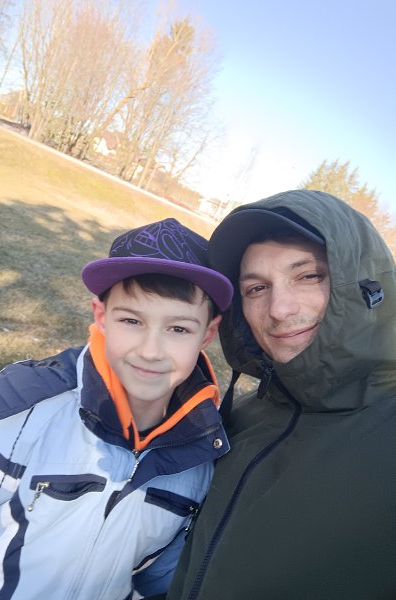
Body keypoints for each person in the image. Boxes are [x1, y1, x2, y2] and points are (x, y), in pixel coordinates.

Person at [0, 218, 234, 600]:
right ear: (101, 316)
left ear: (207, 333)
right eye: (131, 320)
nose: (151, 350)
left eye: (178, 329)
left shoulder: (201, 453)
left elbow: (158, 579)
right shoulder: (17, 415)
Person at [167, 190, 396, 600]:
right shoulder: (237, 418)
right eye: (257, 288)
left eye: (309, 276)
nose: (278, 309)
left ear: (366, 285)